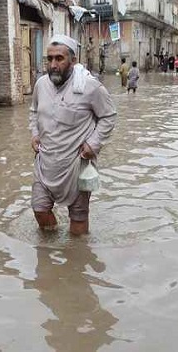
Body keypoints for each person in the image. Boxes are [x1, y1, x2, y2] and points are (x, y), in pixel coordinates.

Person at [29, 34, 116, 235]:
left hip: (76, 165)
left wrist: (93, 145)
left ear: (73, 60)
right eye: (49, 59)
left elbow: (109, 116)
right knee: (40, 210)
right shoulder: (41, 85)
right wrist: (34, 134)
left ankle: (76, 259)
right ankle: (51, 249)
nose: (53, 64)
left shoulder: (89, 86)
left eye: (59, 58)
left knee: (78, 221)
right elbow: (33, 111)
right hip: (45, 163)